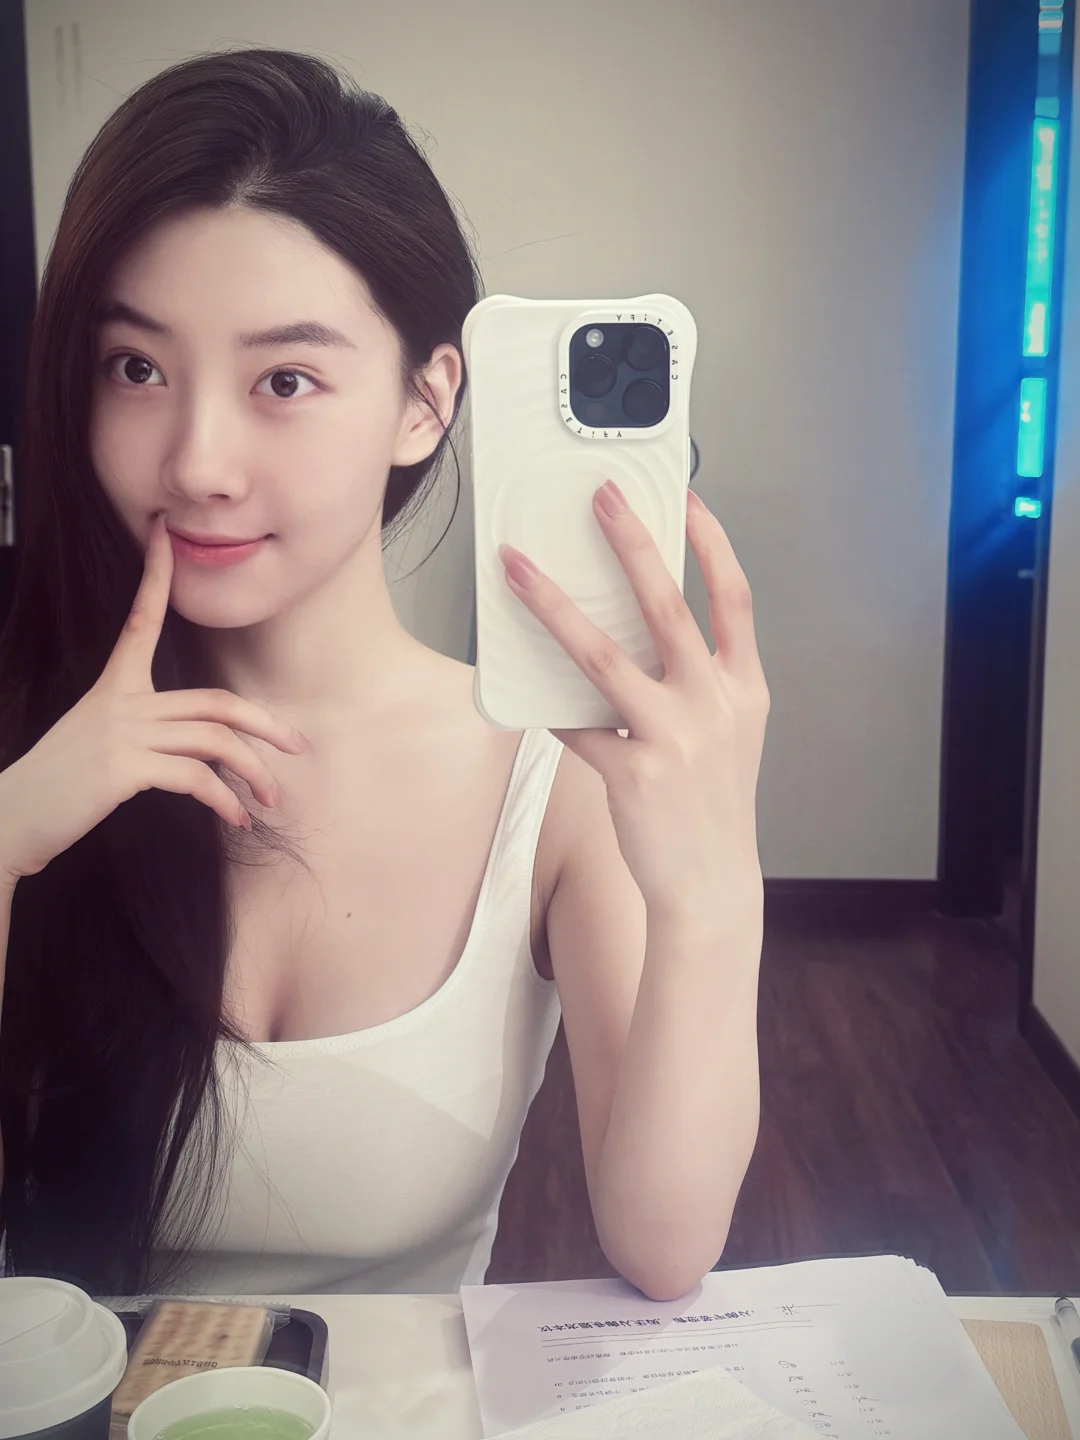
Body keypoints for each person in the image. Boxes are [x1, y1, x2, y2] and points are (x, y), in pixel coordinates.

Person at [0, 49, 769, 1302]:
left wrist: (714, 885)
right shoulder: (29, 750)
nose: (196, 463)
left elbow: (663, 1245)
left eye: (284, 380)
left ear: (424, 401)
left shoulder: (547, 778)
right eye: (136, 367)